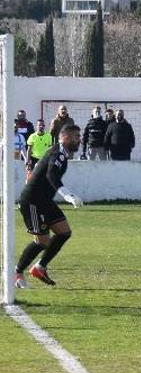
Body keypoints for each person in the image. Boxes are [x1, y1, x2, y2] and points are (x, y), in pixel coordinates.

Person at [13, 123, 83, 289]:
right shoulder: (58, 154)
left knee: (64, 232)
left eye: (79, 137)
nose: (79, 140)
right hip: (33, 201)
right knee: (42, 241)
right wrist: (68, 195)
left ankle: (40, 267)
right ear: (64, 137)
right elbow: (51, 175)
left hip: (45, 201)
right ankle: (16, 273)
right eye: (76, 137)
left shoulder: (61, 153)